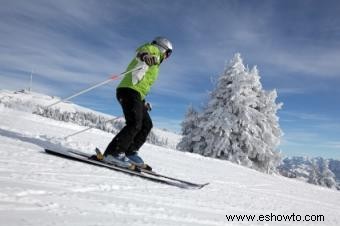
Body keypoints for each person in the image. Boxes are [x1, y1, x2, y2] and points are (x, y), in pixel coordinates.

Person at [103, 37, 173, 169]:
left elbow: (142, 83)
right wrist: (145, 56)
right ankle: (113, 153)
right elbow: (142, 52)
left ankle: (130, 152)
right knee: (134, 123)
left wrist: (143, 102)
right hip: (128, 90)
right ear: (162, 48)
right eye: (168, 53)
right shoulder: (152, 50)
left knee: (146, 125)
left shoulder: (156, 65)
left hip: (137, 94)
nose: (167, 57)